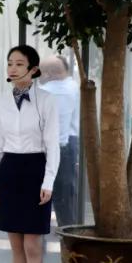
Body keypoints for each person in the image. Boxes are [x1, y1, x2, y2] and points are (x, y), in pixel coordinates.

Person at [0, 44, 59, 263]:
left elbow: (53, 144)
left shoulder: (47, 100)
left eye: (19, 63)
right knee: (16, 245)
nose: (12, 68)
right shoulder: (1, 102)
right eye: (9, 63)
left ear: (33, 69)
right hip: (9, 171)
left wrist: (48, 181)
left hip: (35, 170)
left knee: (32, 245)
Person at [40, 55, 80, 227]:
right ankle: (68, 232)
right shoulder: (73, 87)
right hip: (67, 145)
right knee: (64, 195)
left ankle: (61, 233)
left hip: (59, 146)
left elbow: (58, 128)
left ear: (49, 73)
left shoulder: (52, 90)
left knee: (56, 193)